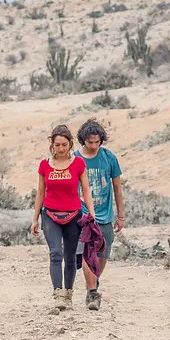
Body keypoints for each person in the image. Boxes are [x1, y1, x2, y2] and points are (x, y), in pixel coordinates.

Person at [31, 125, 96, 310]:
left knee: (70, 256)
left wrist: (91, 213)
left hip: (73, 215)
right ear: (51, 144)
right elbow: (41, 192)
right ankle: (58, 294)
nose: (60, 148)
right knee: (55, 254)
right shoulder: (44, 165)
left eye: (64, 145)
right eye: (57, 144)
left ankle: (68, 293)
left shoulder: (78, 164)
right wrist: (35, 218)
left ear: (70, 144)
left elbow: (85, 190)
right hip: (50, 214)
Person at [74, 118, 124, 311]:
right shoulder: (76, 159)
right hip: (83, 215)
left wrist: (121, 216)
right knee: (88, 252)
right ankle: (92, 292)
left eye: (97, 142)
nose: (94, 146)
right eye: (90, 142)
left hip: (105, 214)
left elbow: (117, 188)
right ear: (83, 140)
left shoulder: (109, 157)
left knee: (103, 254)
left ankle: (94, 282)